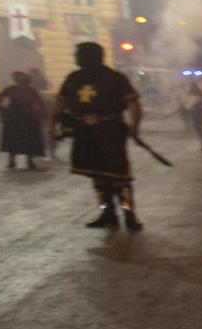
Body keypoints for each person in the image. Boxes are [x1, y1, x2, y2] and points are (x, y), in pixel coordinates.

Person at [54, 42, 144, 232]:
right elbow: (60, 103)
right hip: (84, 132)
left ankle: (129, 214)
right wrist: (51, 125)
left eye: (78, 55)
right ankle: (107, 212)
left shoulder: (114, 78)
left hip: (110, 131)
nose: (75, 58)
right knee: (97, 175)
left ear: (90, 56)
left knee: (119, 175)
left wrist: (135, 127)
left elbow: (133, 104)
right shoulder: (74, 78)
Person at [0, 70, 47, 170]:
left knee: (25, 141)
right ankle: (16, 161)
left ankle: (24, 161)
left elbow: (37, 105)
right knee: (15, 141)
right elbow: (2, 100)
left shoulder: (29, 91)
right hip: (17, 119)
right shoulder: (13, 90)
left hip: (26, 120)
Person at [181, 81, 202, 153]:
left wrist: (186, 108)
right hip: (201, 113)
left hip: (197, 113)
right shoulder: (199, 93)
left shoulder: (195, 94)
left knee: (199, 129)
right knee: (200, 129)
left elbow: (191, 103)